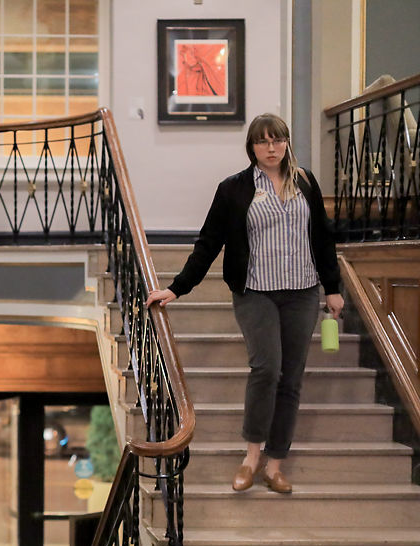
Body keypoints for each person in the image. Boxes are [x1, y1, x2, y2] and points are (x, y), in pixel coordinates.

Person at [145, 113, 344, 494]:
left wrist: (332, 287)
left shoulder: (305, 182)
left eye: (278, 140)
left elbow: (322, 237)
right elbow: (208, 243)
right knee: (266, 369)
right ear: (251, 147)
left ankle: (275, 464)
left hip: (303, 292)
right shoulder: (234, 189)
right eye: (263, 141)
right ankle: (251, 457)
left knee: (291, 379)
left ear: (286, 143)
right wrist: (177, 288)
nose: (271, 148)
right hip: (256, 292)